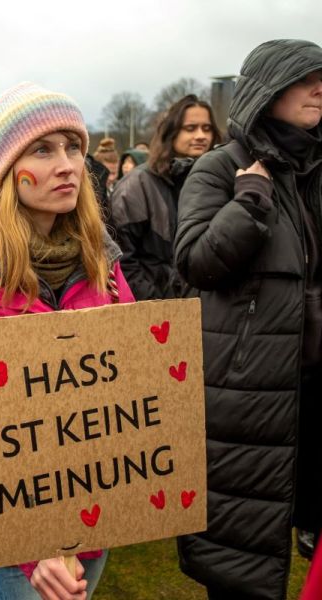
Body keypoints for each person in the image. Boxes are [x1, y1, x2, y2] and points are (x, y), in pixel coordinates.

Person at [0, 82, 134, 600]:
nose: (66, 165)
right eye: (42, 150)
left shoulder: (103, 268)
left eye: (73, 147)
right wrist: (32, 549)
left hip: (94, 517)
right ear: (6, 168)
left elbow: (130, 388)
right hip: (12, 534)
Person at [174, 39, 322, 600]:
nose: (319, 89)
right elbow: (195, 262)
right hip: (246, 394)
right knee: (241, 553)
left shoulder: (318, 169)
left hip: (314, 391)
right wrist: (251, 201)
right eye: (305, 78)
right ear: (267, 88)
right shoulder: (220, 167)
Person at [109, 94, 221, 300]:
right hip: (159, 307)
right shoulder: (137, 186)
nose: (201, 136)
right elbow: (122, 260)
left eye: (207, 128)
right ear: (171, 131)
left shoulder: (218, 181)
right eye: (190, 128)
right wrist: (160, 305)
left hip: (210, 306)